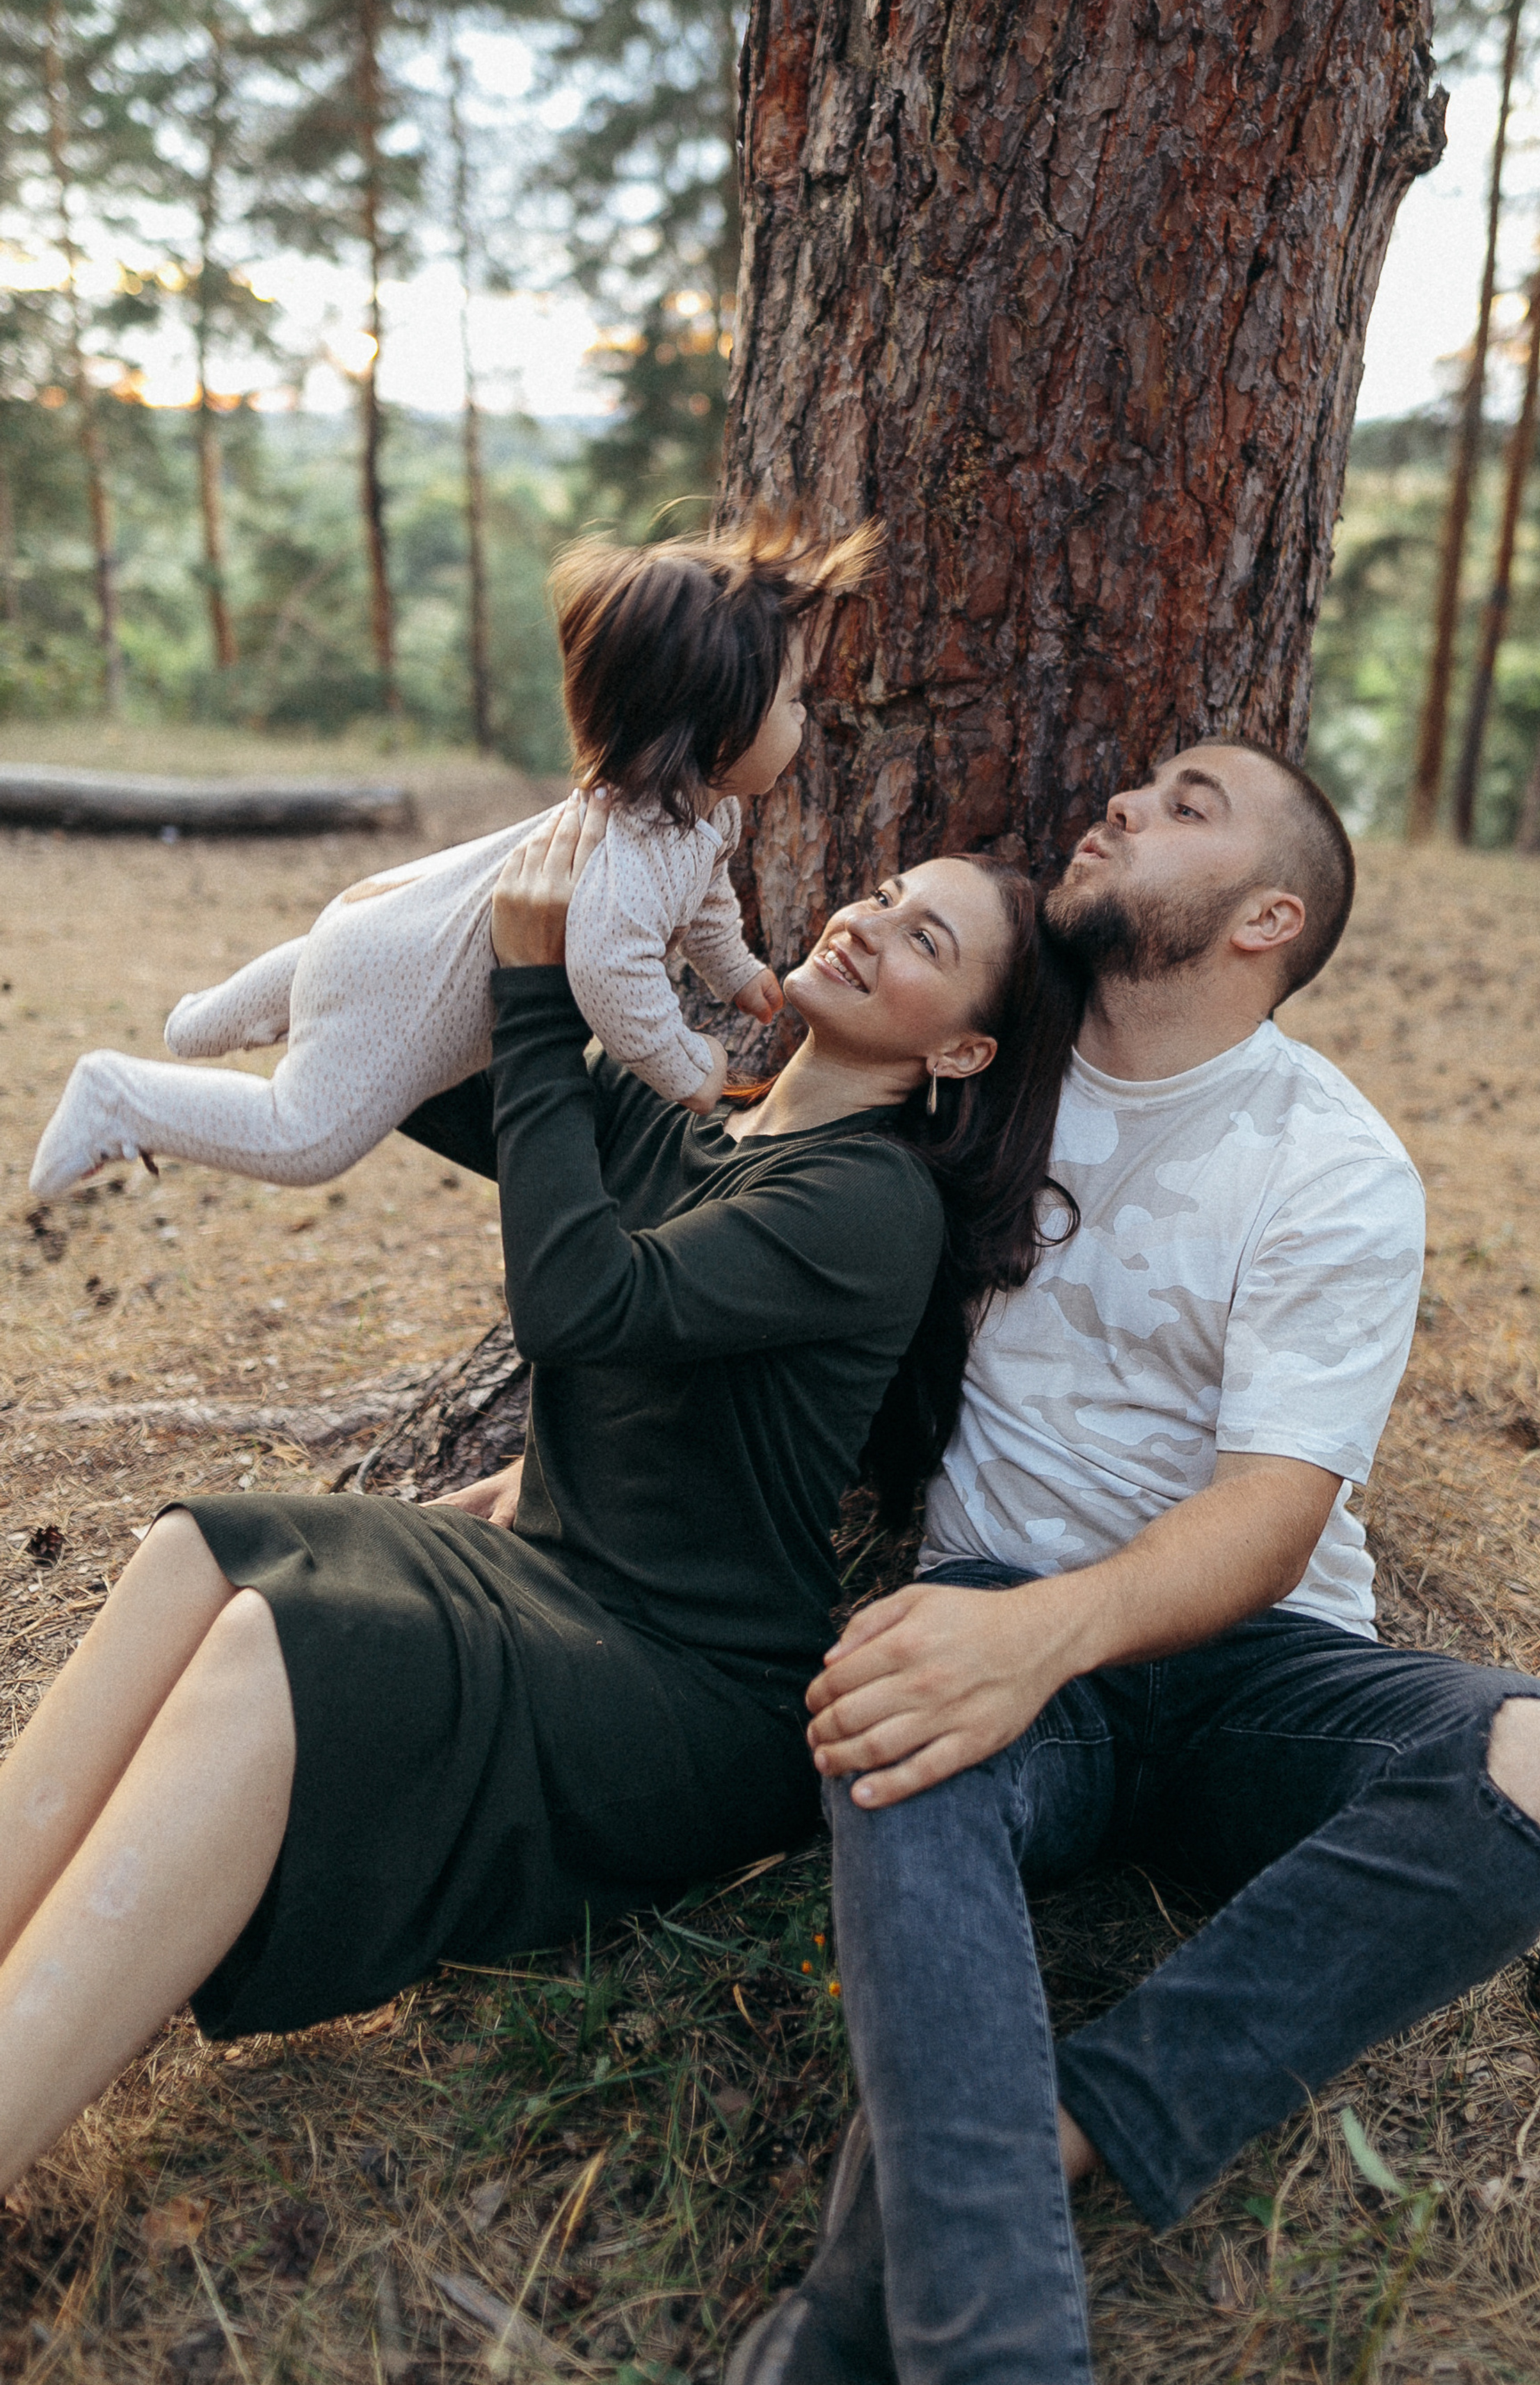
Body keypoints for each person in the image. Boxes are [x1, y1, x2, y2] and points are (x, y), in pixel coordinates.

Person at [0, 804, 1082, 2195]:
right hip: (558, 1577)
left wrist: (527, 989)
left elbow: (583, 1304)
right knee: (199, 1555)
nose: (866, 918)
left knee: (290, 1646)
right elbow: (435, 1072)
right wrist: (445, 923)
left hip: (688, 1683)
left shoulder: (869, 1207)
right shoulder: (707, 1121)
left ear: (960, 1052)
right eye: (879, 890)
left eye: (922, 935)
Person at [731, 739, 1540, 2385]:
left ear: (1263, 918)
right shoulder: (984, 1057)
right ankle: (995, 2345)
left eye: (1186, 805)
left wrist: (1050, 1639)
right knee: (897, 1707)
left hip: (1248, 1674)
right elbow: (752, 1223)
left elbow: (1267, 1514)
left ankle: (1047, 2139)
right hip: (996, 1612)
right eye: (1142, 786)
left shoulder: (1328, 1163)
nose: (1123, 804)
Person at [29, 513, 871, 1202]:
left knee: (302, 989)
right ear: (715, 723)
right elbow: (611, 972)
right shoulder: (637, 853)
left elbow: (707, 904)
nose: (805, 718)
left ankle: (194, 1024)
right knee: (305, 1138)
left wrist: (736, 975)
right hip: (399, 987)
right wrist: (688, 1068)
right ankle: (118, 1095)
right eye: (794, 700)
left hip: (381, 928)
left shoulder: (699, 819)